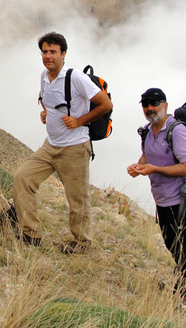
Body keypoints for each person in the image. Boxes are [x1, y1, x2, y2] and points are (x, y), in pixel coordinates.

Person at [13, 32, 112, 252]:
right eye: (45, 52)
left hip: (75, 147)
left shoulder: (76, 77)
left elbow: (105, 105)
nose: (48, 56)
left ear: (63, 54)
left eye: (53, 52)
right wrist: (45, 113)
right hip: (51, 145)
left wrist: (79, 121)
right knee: (23, 178)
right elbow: (46, 99)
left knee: (77, 199)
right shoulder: (44, 76)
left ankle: (81, 242)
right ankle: (30, 233)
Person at [127, 88, 186, 306]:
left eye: (154, 103)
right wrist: (139, 166)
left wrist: (154, 169)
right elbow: (147, 155)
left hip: (184, 200)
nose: (149, 108)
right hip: (163, 201)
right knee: (174, 247)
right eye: (145, 104)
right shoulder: (147, 131)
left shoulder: (177, 131)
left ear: (165, 105)